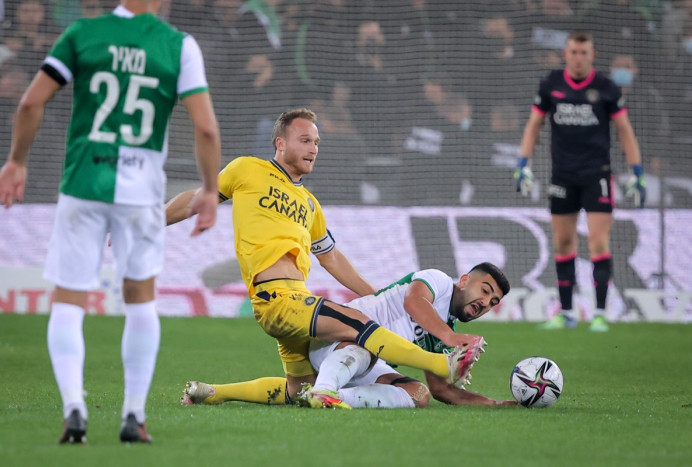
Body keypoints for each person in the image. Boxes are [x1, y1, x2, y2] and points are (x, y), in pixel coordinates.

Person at [0, 0, 222, 444]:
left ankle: (74, 409)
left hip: (83, 187)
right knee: (140, 300)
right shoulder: (179, 46)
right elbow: (207, 128)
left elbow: (30, 101)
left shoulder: (81, 34)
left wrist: (16, 161)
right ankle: (134, 415)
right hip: (140, 196)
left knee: (68, 300)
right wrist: (209, 190)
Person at [165, 108, 483, 409]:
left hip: (295, 301)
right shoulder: (247, 169)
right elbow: (196, 199)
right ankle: (445, 364)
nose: (313, 148)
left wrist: (376, 296)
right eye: (304, 140)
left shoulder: (310, 204)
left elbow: (331, 259)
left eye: (316, 142)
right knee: (359, 324)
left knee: (298, 389)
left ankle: (212, 393)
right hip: (275, 297)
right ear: (280, 143)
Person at [181, 264, 517, 409]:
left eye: (493, 302)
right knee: (367, 347)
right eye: (484, 290)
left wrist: (495, 404)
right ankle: (325, 391)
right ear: (463, 280)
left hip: (360, 363)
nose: (485, 302)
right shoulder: (438, 282)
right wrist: (449, 339)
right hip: (336, 338)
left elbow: (444, 390)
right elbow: (414, 303)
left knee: (419, 394)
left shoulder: (445, 333)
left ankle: (323, 396)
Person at [514, 31, 646, 333]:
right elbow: (534, 124)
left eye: (584, 52)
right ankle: (567, 312)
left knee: (598, 242)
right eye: (573, 52)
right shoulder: (551, 84)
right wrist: (523, 164)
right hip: (562, 175)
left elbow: (625, 130)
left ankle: (600, 313)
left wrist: (636, 172)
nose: (578, 57)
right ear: (566, 54)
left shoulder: (606, 88)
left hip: (596, 175)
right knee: (563, 243)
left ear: (592, 55)